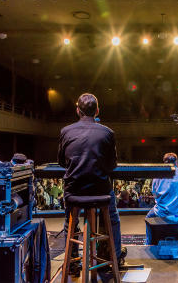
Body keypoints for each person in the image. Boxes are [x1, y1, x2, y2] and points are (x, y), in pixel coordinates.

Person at [58, 93, 125, 277]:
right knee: (113, 217)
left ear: (77, 111)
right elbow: (112, 166)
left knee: (68, 222)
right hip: (101, 192)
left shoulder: (66, 131)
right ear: (97, 111)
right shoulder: (108, 132)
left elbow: (62, 163)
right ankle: (113, 258)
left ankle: (71, 264)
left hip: (73, 192)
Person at [146, 153, 178, 218]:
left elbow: (154, 193)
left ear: (164, 163)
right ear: (176, 162)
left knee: (148, 218)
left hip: (162, 213)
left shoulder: (157, 175)